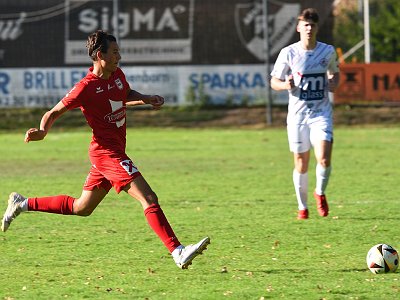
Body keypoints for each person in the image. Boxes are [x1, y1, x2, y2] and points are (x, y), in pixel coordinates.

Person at [1, 30, 210, 269]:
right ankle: (178, 251)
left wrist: (146, 98)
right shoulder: (85, 87)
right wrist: (42, 131)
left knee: (82, 207)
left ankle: (22, 203)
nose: (119, 56)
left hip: (111, 152)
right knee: (148, 198)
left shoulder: (117, 74)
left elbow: (125, 95)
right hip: (107, 153)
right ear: (100, 55)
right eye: (115, 52)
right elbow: (53, 112)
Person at [270, 8, 340, 219]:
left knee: (324, 159)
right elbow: (274, 81)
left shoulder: (327, 51)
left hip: (321, 114)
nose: (309, 28)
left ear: (317, 28)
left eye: (313, 25)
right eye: (306, 24)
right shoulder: (288, 53)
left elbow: (335, 73)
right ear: (299, 27)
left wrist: (333, 83)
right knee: (301, 162)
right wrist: (284, 85)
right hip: (298, 117)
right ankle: (303, 207)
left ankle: (319, 193)